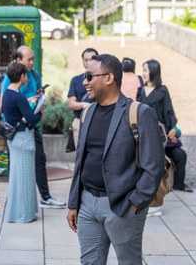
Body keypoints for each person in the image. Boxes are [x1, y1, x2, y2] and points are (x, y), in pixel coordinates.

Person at [67, 54, 164, 265]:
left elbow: (153, 166)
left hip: (122, 206)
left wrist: (135, 204)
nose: (85, 82)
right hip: (87, 204)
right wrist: (74, 203)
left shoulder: (139, 113)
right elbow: (80, 162)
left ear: (109, 78)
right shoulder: (87, 113)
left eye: (89, 76)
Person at [1, 45, 66, 208]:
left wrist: (37, 99)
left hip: (30, 124)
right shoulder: (11, 77)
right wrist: (27, 102)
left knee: (39, 160)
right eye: (29, 59)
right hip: (17, 127)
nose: (32, 62)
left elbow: (35, 95)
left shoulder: (35, 74)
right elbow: (5, 101)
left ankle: (44, 196)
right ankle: (16, 199)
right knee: (16, 164)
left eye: (33, 59)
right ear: (19, 60)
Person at [137, 59, 193, 194]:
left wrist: (173, 129)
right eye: (143, 70)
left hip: (162, 134)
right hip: (145, 135)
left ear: (153, 71)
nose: (143, 73)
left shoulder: (162, 90)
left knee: (180, 154)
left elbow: (169, 112)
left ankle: (179, 184)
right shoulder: (140, 90)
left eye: (145, 70)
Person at [2, 62, 42, 223]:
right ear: (21, 76)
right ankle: (24, 215)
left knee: (17, 177)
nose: (27, 78)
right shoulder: (18, 97)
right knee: (25, 177)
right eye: (25, 75)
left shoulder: (7, 93)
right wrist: (41, 111)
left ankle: (17, 212)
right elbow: (32, 120)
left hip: (13, 139)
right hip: (23, 138)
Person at [67, 48, 98, 146]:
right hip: (79, 121)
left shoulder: (101, 79)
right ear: (82, 61)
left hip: (97, 121)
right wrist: (84, 104)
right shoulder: (76, 80)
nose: (88, 62)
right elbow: (71, 104)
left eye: (91, 59)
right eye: (86, 60)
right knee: (79, 155)